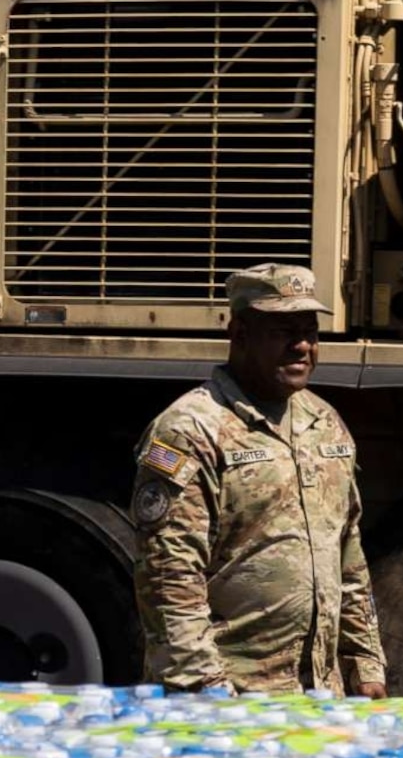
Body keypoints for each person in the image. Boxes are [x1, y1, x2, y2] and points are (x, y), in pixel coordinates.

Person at [127, 264, 387, 696]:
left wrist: (364, 662)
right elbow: (169, 576)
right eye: (283, 330)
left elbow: (349, 555)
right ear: (240, 333)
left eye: (310, 331)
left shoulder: (324, 423)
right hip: (231, 701)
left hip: (317, 698)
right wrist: (206, 689)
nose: (302, 345)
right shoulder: (190, 430)